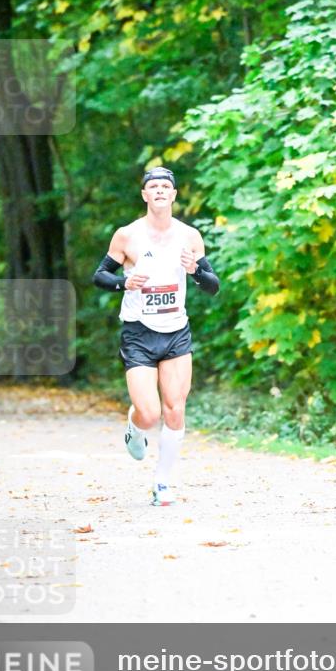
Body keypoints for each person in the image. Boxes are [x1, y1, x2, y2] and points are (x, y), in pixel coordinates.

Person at [92, 166, 219, 506]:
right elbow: (100, 275)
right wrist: (124, 283)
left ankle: (162, 484)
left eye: (166, 186)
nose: (160, 190)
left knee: (175, 409)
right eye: (154, 186)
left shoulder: (189, 236)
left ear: (174, 195)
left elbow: (212, 286)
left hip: (176, 332)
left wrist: (195, 271)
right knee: (149, 413)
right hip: (139, 333)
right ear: (145, 195)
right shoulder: (127, 235)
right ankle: (135, 427)